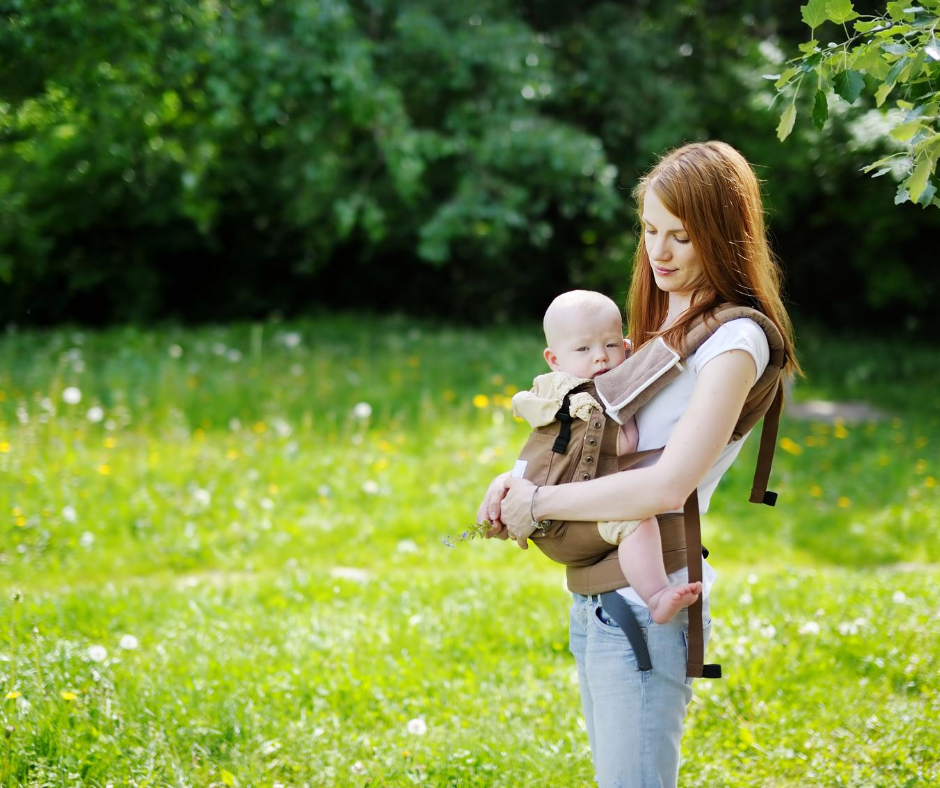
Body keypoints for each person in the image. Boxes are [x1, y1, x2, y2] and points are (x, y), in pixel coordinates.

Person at [476, 140, 800, 788]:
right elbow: (586, 436)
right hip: (598, 596)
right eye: (650, 230)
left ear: (723, 234)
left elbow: (668, 483)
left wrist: (536, 507)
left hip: (647, 600)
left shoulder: (734, 339)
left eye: (681, 235)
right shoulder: (662, 323)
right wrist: (515, 478)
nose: (660, 251)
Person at [511, 289, 703, 624]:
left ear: (625, 345)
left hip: (557, 512)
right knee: (636, 521)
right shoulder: (582, 397)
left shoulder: (552, 391)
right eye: (584, 348)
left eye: (611, 345)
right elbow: (624, 445)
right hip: (561, 519)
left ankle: (656, 595)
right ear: (554, 359)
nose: (600, 357)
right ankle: (656, 595)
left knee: (632, 520)